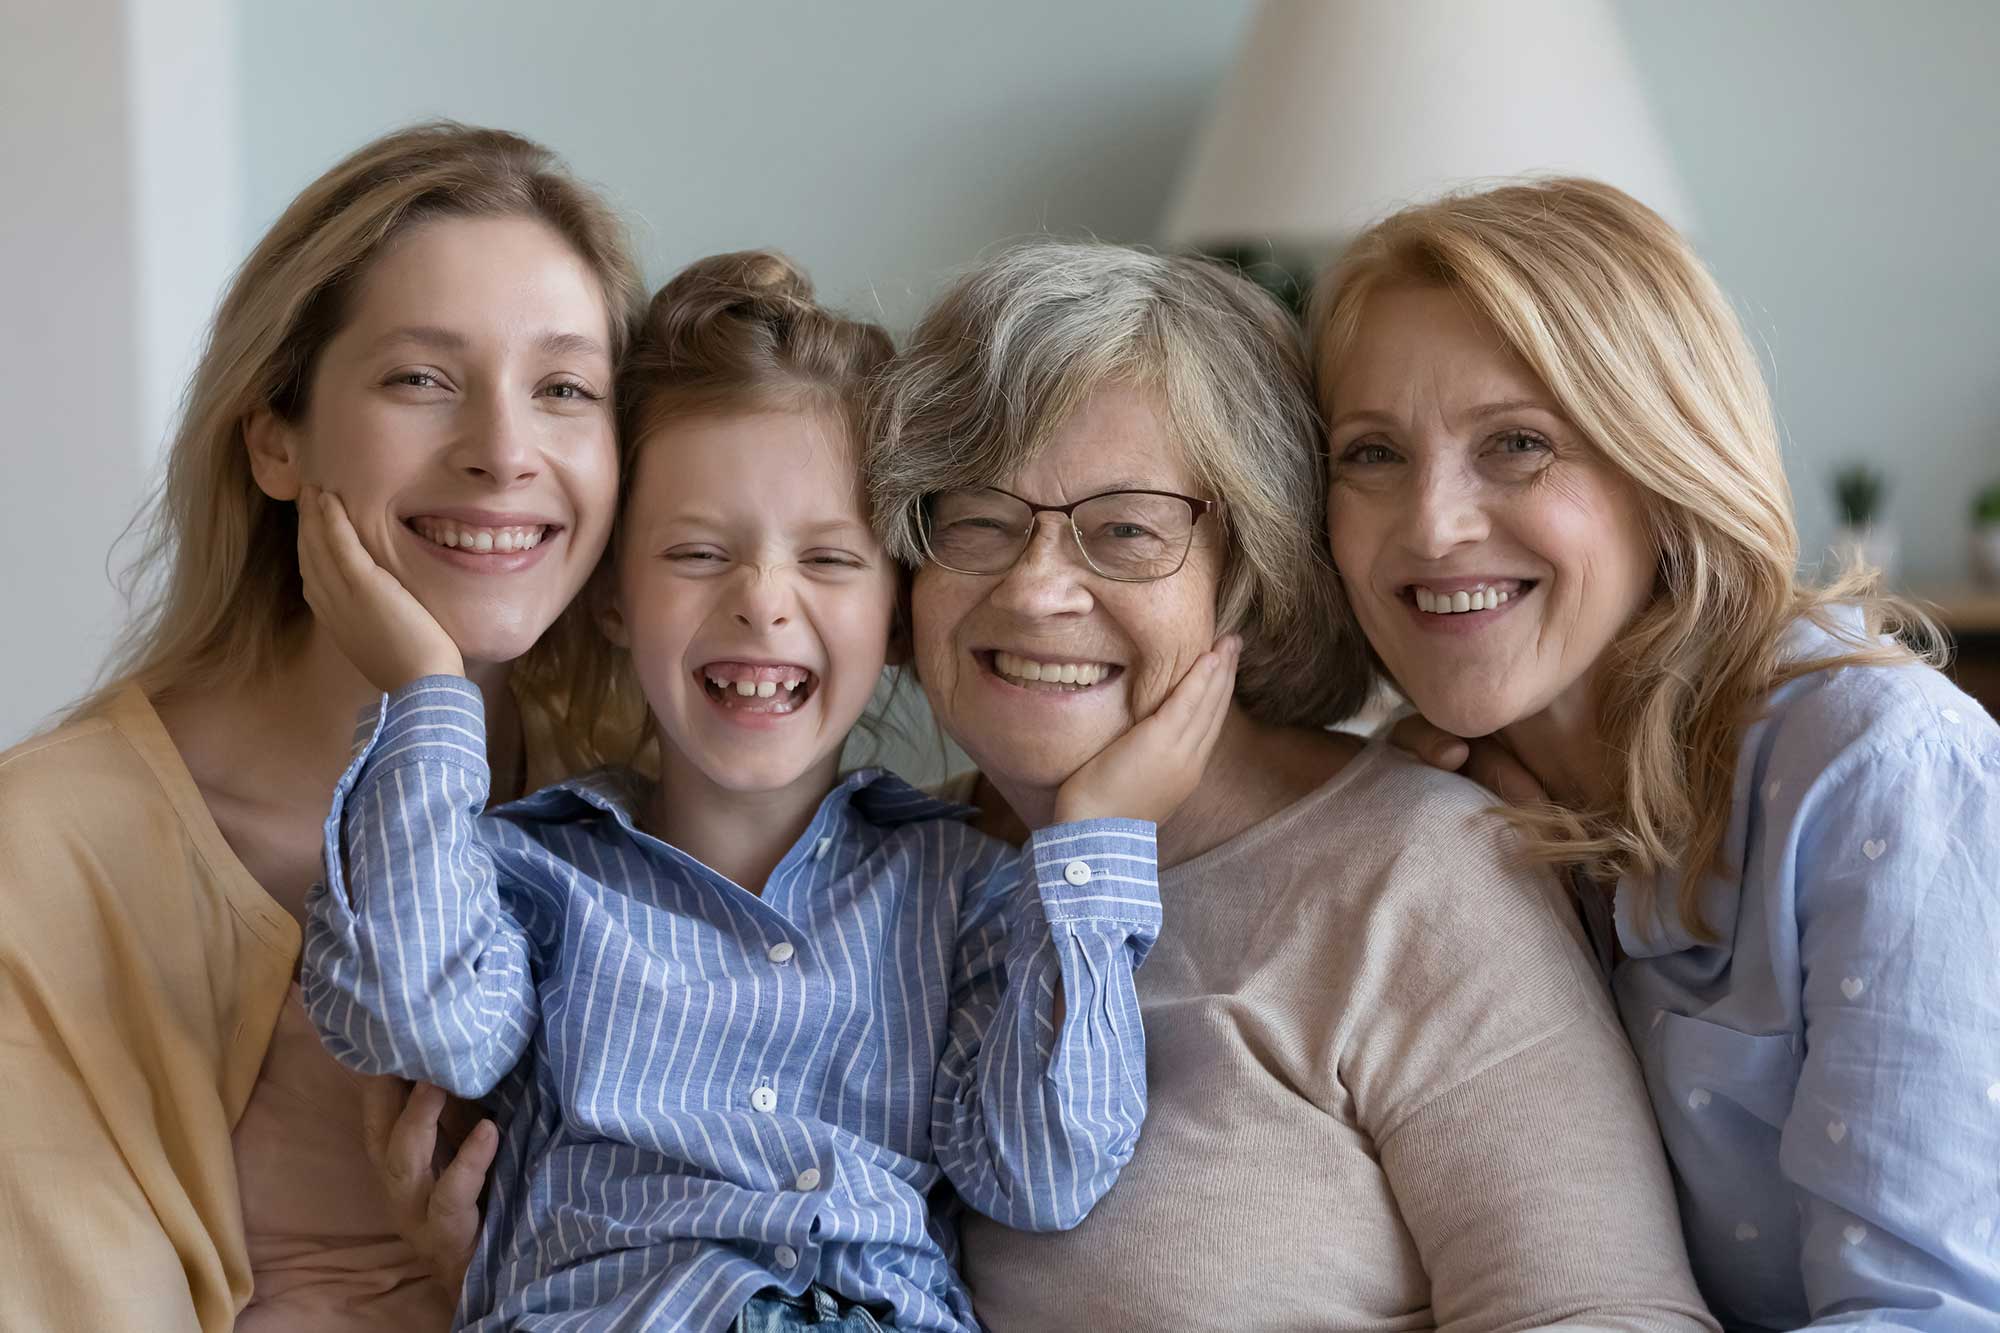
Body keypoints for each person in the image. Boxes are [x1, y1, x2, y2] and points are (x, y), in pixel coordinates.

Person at [297, 249, 1235, 1333]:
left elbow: (1045, 1171)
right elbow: (411, 1020)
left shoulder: (967, 891)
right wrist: (425, 688)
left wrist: (1093, 841)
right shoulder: (526, 875)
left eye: (829, 561)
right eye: (698, 553)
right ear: (612, 598)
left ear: (895, 614)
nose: (762, 605)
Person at [1314, 176, 2000, 1329]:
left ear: (1661, 465)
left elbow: (1921, 1313)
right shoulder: (1422, 805)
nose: (1429, 525)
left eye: (1517, 444)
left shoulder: (1874, 766)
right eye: (1370, 453)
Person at [0, 122, 646, 1330]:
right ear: (274, 439)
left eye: (564, 389)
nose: (504, 452)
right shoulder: (41, 850)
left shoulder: (648, 809)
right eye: (421, 379)